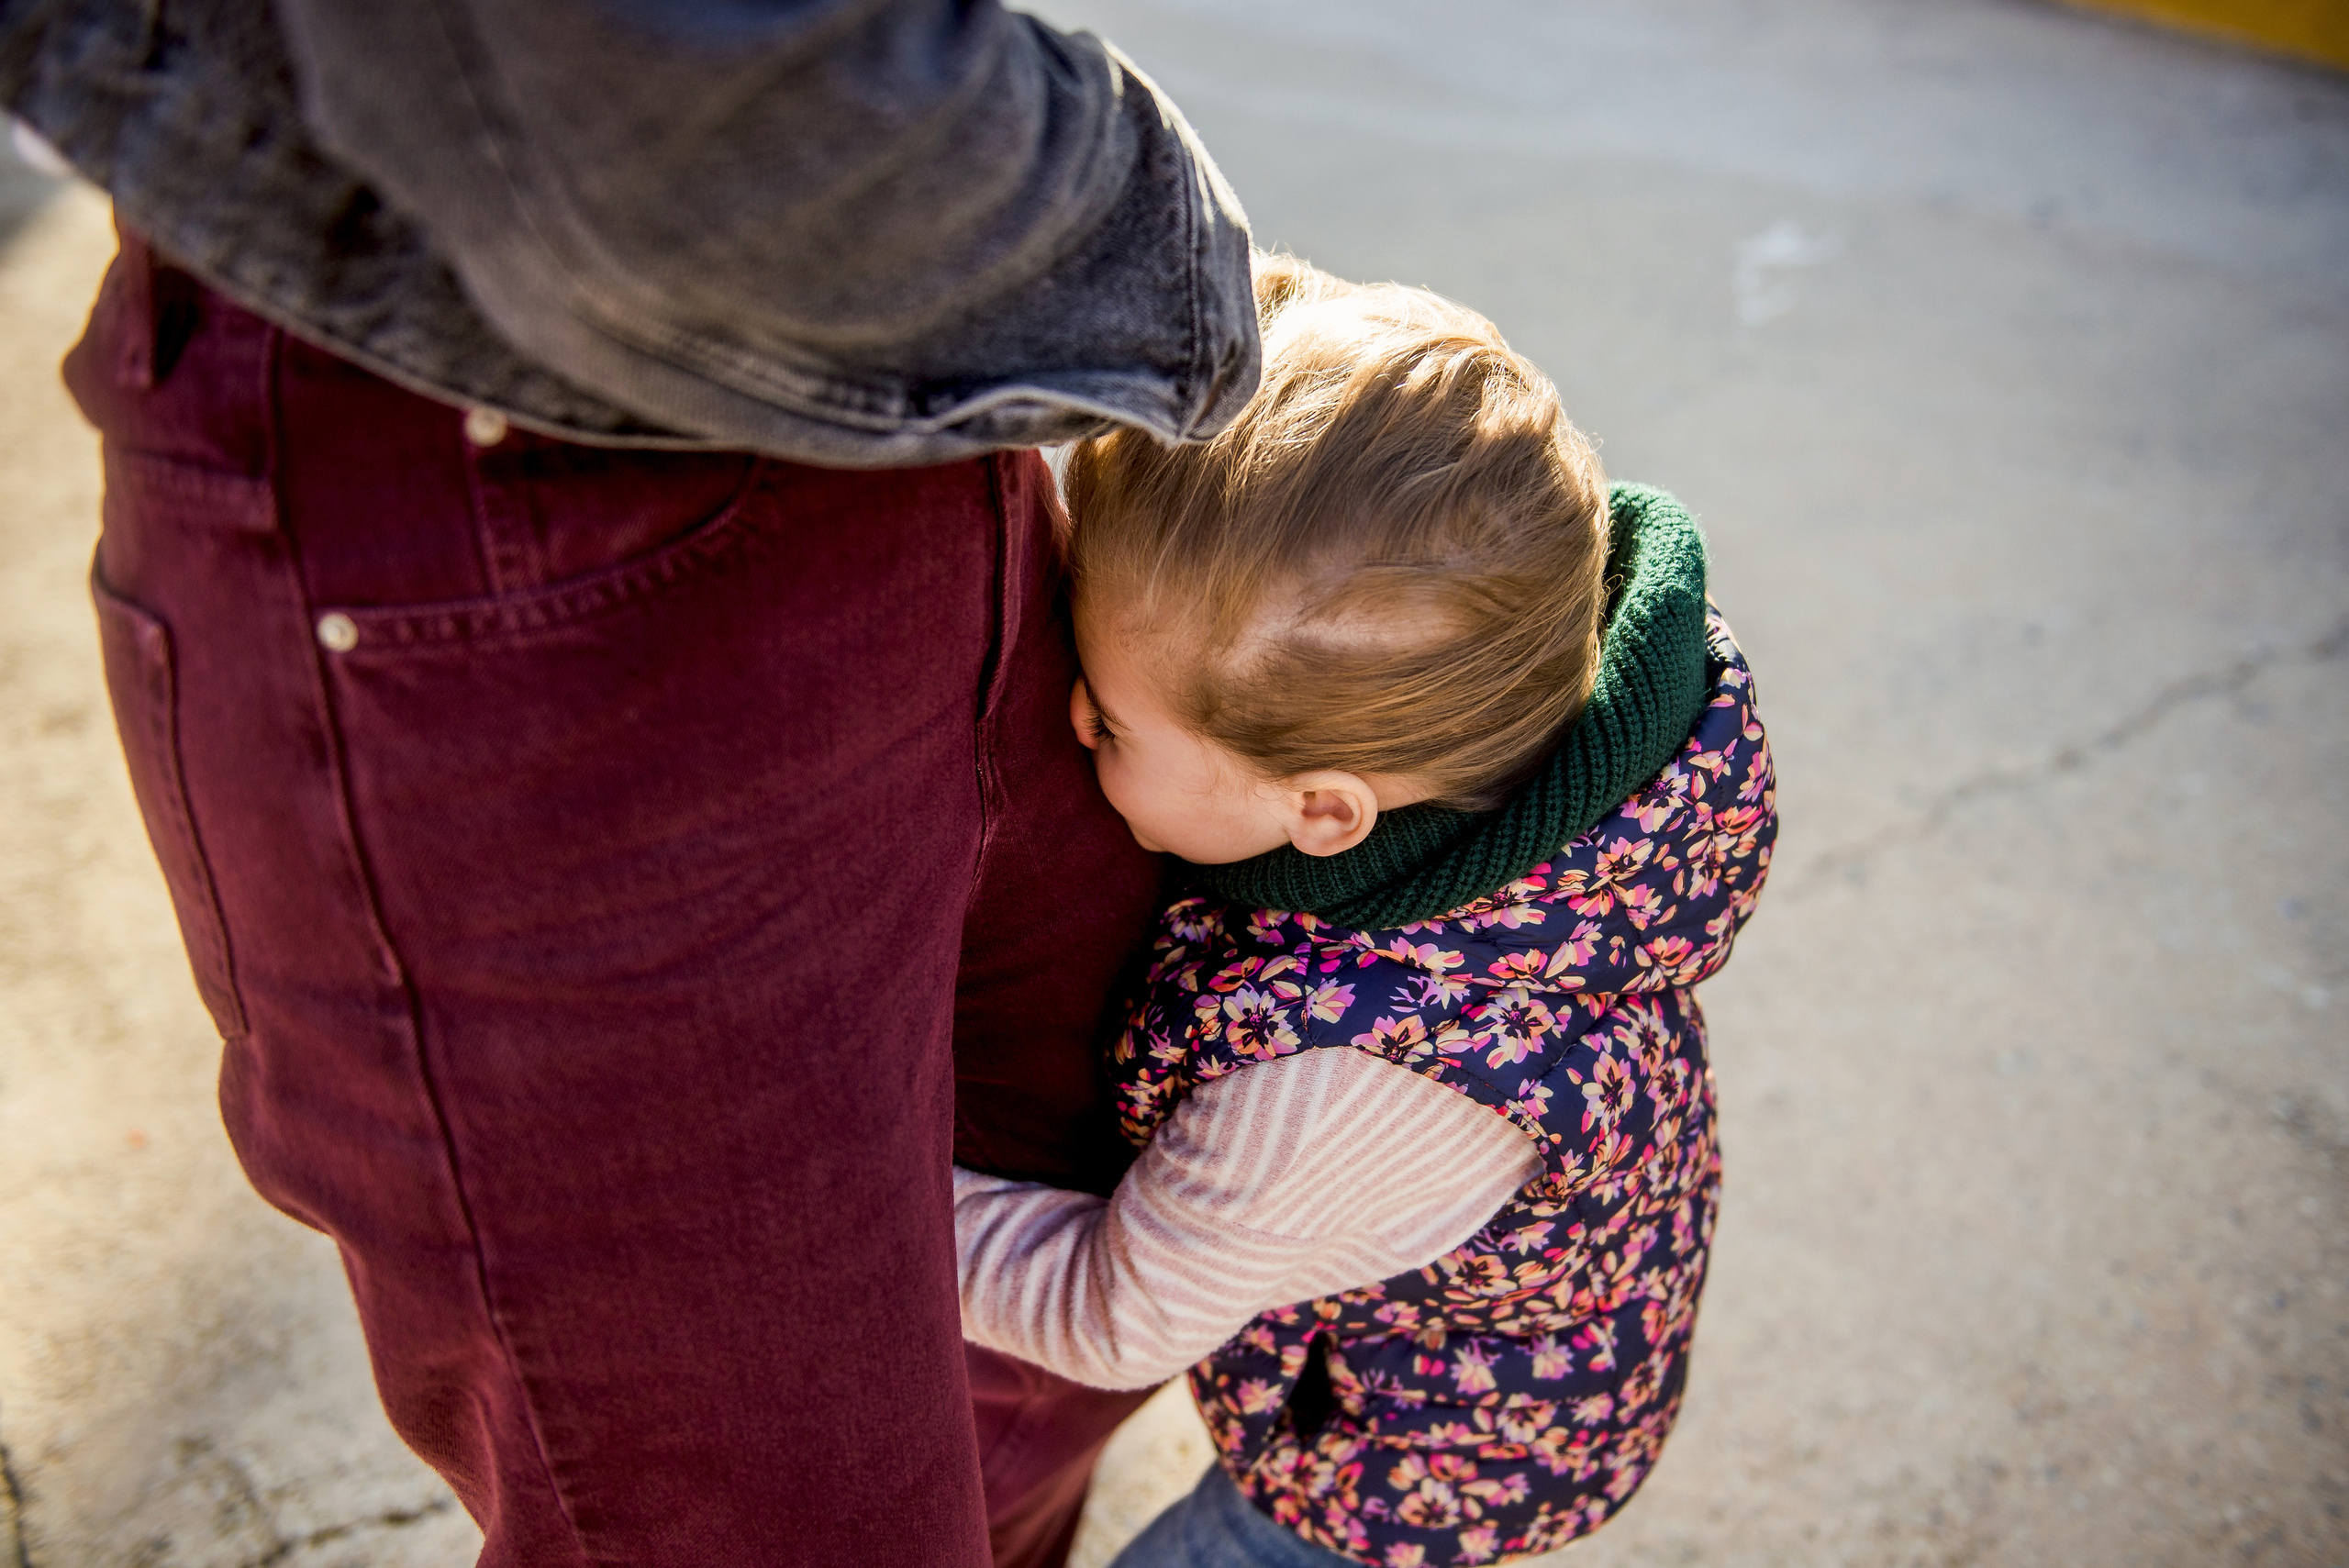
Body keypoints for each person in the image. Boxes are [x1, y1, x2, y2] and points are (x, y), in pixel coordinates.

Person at [5, 1, 1259, 1563]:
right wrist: (1188, 279)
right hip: (491, 482)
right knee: (762, 1512)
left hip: (909, 425)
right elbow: (683, 97)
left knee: (1064, 1264)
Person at [953, 258, 1778, 1566]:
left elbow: (1111, 1314)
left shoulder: (1330, 1091)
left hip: (1403, 1468)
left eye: (1106, 716)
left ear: (1326, 811)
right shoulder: (1488, 789)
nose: (1069, 716)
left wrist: (869, 1214)